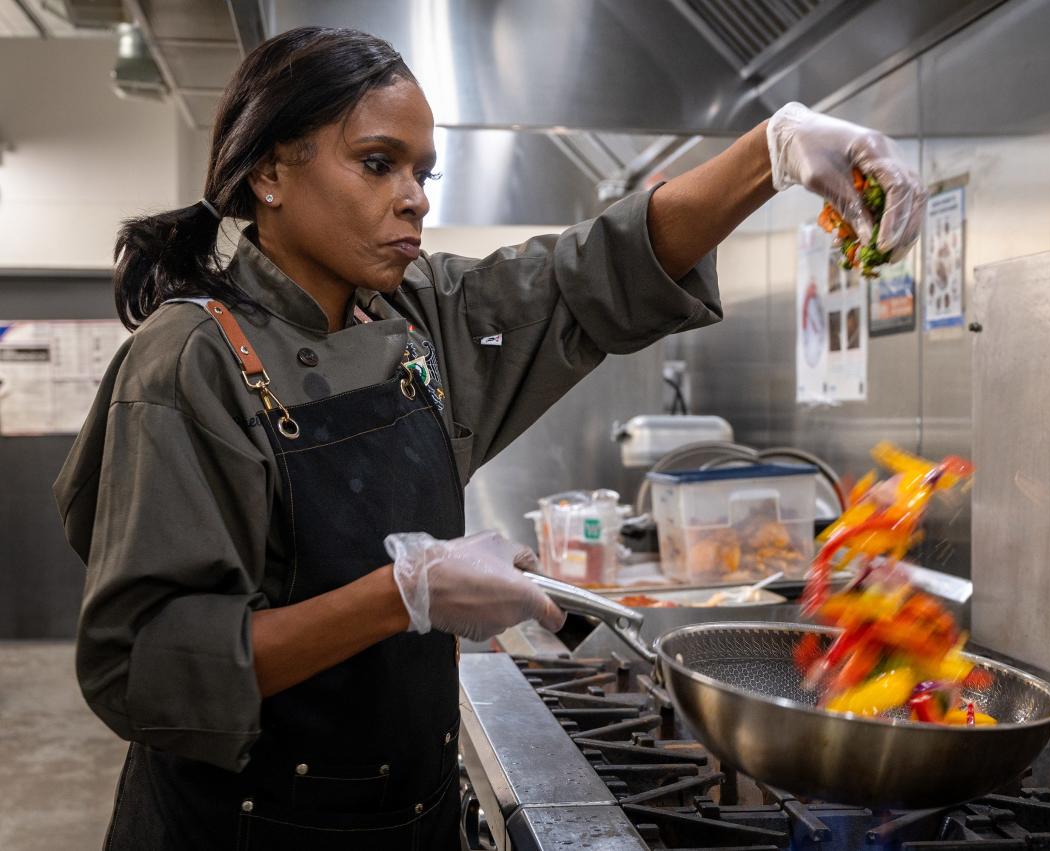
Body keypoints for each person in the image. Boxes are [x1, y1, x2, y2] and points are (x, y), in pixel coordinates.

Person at [53, 26, 925, 850]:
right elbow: (147, 666)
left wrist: (770, 154)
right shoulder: (188, 362)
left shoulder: (416, 317)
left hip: (408, 817)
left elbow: (592, 274)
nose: (414, 198)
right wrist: (408, 593)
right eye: (377, 163)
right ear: (272, 172)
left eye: (424, 173)